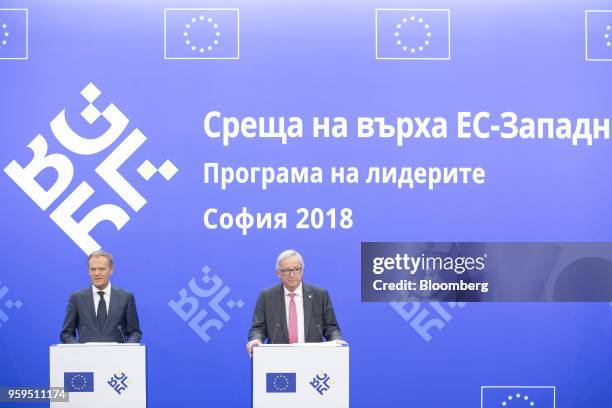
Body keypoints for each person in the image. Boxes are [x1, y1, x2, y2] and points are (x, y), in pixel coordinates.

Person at [246, 249, 346, 357]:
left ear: (302, 270)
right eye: (286, 270)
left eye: (296, 269)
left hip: (313, 357)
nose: (292, 275)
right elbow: (258, 328)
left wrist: (336, 340)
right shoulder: (267, 296)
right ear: (278, 273)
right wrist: (255, 339)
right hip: (278, 358)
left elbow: (331, 327)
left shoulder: (319, 295)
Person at [60, 250, 142, 343]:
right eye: (93, 269)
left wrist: (125, 350)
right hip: (86, 356)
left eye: (102, 269)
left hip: (117, 356)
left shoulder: (126, 297)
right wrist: (80, 350)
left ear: (111, 270)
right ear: (88, 270)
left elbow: (135, 332)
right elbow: (66, 333)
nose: (97, 273)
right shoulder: (76, 298)